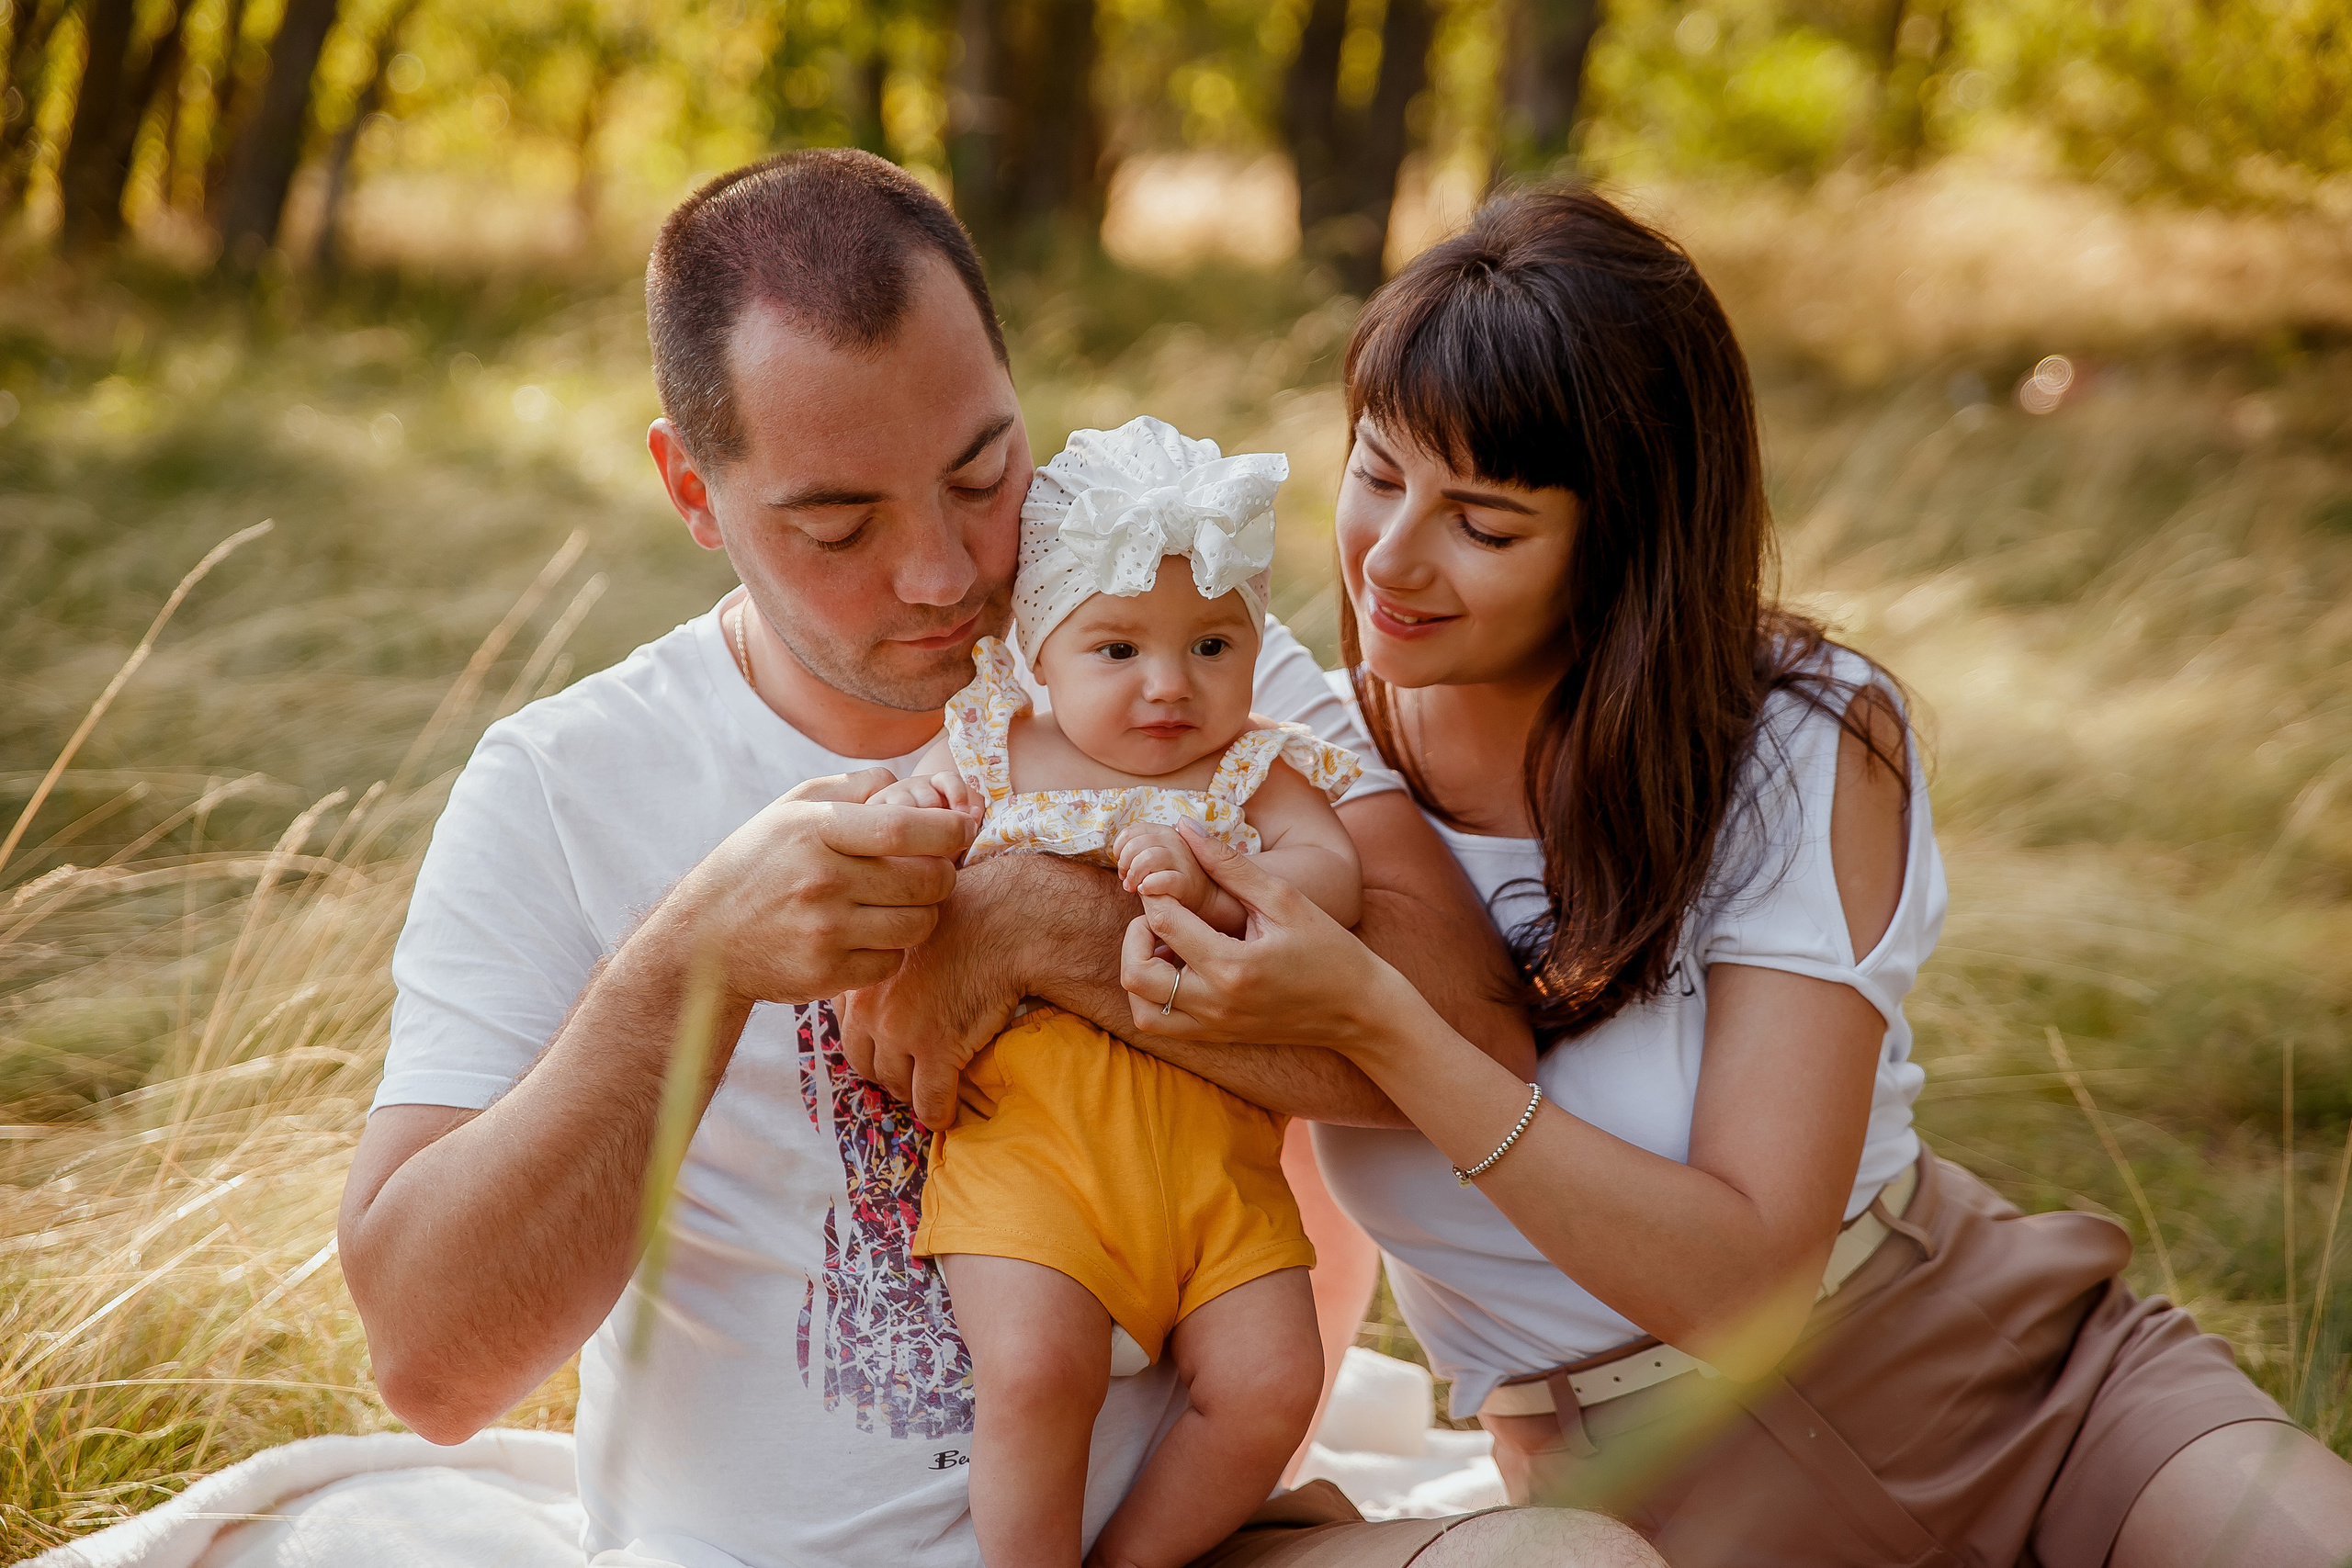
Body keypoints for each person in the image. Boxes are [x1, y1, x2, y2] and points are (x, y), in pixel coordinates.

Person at [336, 149, 1659, 1568]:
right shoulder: (564, 784)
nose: (947, 571)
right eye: (839, 521)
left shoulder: (1176, 656)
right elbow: (432, 1362)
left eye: (982, 474)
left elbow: (1469, 1039)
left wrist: (1038, 922)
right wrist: (692, 966)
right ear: (692, 489)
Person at [1092, 186, 2352, 1567]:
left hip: (2024, 1396)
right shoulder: (1280, 783)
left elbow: (1744, 1287)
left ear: (1625, 541)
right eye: (1377, 473)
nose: (1390, 557)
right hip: (1645, 1507)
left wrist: (1379, 1022)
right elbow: (1272, 1201)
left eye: (1484, 524)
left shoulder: (1797, 736)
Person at [866, 415, 1364, 1568]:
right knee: (1037, 1373)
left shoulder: (1253, 770)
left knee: (1271, 1384)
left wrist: (1223, 881)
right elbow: (905, 840)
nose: (1168, 685)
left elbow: (1331, 876)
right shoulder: (992, 749)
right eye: (1117, 649)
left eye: (1211, 645)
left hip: (1219, 1174)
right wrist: (914, 824)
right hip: (1033, 1153)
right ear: (1038, 653)